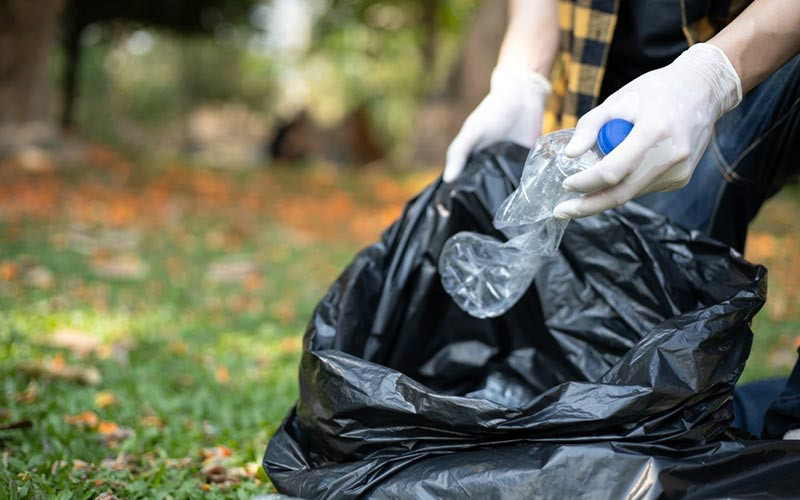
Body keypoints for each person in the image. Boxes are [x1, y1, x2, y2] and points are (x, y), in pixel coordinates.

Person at [443, 0, 800, 439]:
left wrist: (712, 76)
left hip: (763, 58)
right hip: (621, 116)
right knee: (641, 366)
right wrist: (523, 76)